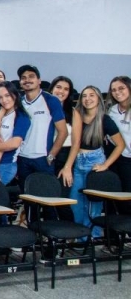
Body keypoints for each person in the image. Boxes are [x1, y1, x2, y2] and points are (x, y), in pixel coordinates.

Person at [58, 86, 124, 237]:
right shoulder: (76, 115)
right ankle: (81, 237)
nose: (87, 99)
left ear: (99, 99)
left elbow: (120, 145)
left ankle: (93, 238)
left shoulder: (105, 120)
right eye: (84, 96)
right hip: (77, 162)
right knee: (75, 203)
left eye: (92, 95)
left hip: (94, 162)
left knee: (93, 206)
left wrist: (105, 165)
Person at [16, 65, 68, 189]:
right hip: (22, 158)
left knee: (45, 195)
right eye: (23, 78)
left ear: (39, 80)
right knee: (25, 195)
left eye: (31, 77)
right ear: (20, 82)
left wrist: (51, 155)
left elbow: (63, 132)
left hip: (43, 159)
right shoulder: (18, 102)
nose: (27, 80)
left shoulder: (51, 100)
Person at [0, 81, 31, 186]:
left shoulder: (21, 116)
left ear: (15, 95)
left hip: (4, 165)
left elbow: (14, 143)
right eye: (0, 97)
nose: (4, 100)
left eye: (7, 95)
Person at [108, 76, 131, 198]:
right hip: (120, 158)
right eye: (114, 90)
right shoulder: (112, 111)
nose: (117, 92)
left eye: (121, 88)